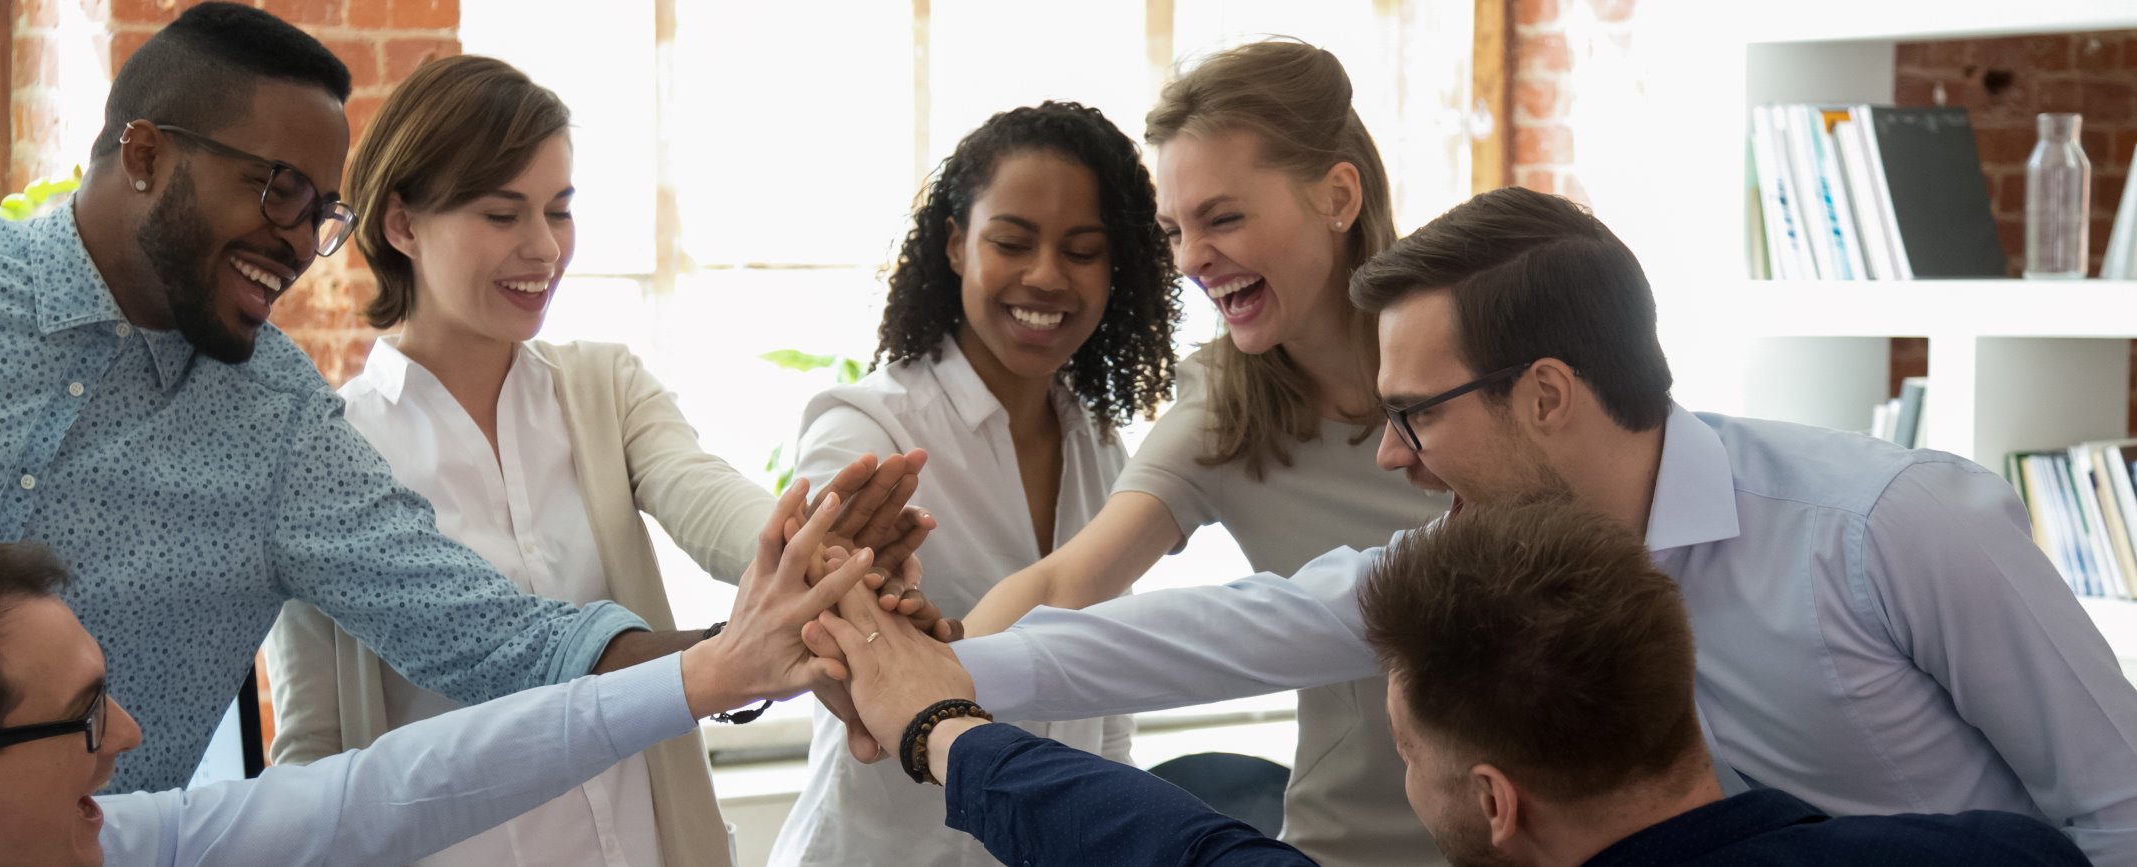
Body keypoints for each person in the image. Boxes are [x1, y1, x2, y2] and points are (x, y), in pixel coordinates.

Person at [0, 5, 923, 864]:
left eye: (316, 207)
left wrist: (738, 653)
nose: (298, 240)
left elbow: (500, 640)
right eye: (274, 187)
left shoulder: (279, 425)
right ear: (143, 151)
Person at [942, 186, 2137, 863]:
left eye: (1413, 414)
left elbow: (2119, 810)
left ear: (1548, 394)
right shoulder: (1495, 566)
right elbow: (1237, 631)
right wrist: (941, 672)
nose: (1391, 454)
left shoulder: (1891, 528)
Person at [259, 55, 930, 867]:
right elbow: (313, 744)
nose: (542, 248)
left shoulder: (604, 387)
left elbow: (703, 496)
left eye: (559, 210)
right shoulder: (330, 451)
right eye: (502, 215)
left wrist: (825, 556)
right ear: (401, 224)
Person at [803, 498, 2092, 866]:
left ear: (1492, 799)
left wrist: (939, 730)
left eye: (1404, 750)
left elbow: (1183, 855)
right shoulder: (2003, 853)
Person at [0, 477, 874, 866]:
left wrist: (703, 675)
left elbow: (384, 794)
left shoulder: (119, 844)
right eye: (81, 720)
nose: (128, 739)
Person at [942, 40, 1449, 865]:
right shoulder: (1224, 404)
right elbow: (1069, 580)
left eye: (1223, 218)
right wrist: (927, 678)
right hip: (1347, 850)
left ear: (1338, 195)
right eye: (1175, 230)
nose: (1187, 260)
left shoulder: (1471, 348)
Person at [765, 101, 1181, 866]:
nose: (1047, 275)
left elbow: (1104, 697)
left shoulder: (1099, 447)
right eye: (1012, 242)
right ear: (956, 245)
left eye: (1083, 250)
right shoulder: (864, 426)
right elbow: (813, 612)